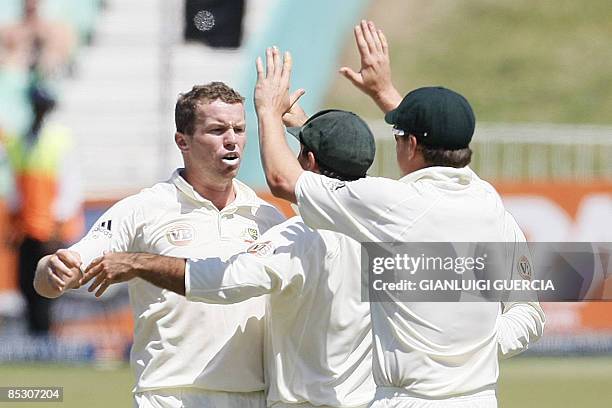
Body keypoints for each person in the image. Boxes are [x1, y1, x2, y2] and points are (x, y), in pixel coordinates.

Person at [251, 23, 545, 408]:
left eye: (398, 135)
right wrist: (476, 349)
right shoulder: (488, 201)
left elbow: (282, 179)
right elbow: (529, 315)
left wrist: (268, 112)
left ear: (411, 143)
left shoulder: (392, 204)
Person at [77, 107, 378, 408]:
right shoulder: (389, 235)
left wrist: (138, 262)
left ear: (308, 161)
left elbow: (222, 282)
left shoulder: (296, 237)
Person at [34, 82, 285, 408]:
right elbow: (65, 268)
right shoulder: (144, 208)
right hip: (168, 395)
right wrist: (49, 270)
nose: (232, 140)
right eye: (217, 129)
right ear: (183, 141)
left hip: (253, 396)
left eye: (238, 129)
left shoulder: (267, 217)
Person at [5, 82, 83, 335]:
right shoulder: (20, 140)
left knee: (49, 286)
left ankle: (46, 338)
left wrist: (58, 226)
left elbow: (70, 185)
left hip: (50, 229)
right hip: (27, 227)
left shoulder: (58, 138)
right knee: (25, 284)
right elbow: (17, 186)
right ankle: (35, 337)